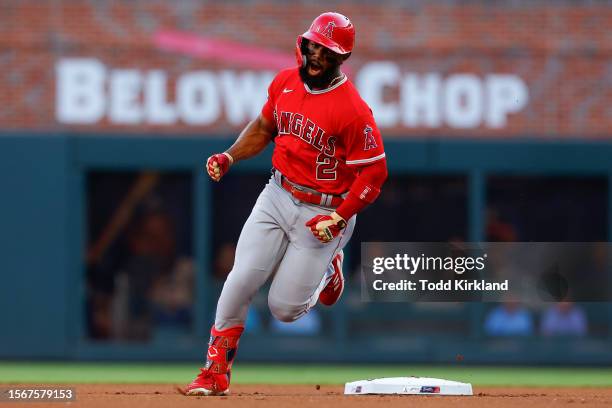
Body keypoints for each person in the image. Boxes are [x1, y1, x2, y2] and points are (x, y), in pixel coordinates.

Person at [184, 12, 387, 396]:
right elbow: (263, 128)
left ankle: (331, 267)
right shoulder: (285, 81)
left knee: (284, 309)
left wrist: (340, 217)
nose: (314, 54)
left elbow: (375, 174)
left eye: (325, 50)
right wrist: (230, 156)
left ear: (340, 58)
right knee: (241, 278)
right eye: (311, 45)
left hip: (323, 210)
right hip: (277, 193)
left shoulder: (353, 109)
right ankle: (214, 371)